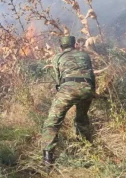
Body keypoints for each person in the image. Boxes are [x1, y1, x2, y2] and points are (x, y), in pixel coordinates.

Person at [41, 35, 96, 169]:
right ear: (75, 45)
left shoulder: (57, 57)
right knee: (82, 120)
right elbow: (91, 74)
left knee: (52, 122)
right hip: (87, 89)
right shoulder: (85, 55)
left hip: (68, 90)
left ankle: (48, 160)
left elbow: (59, 80)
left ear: (61, 47)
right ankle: (87, 153)